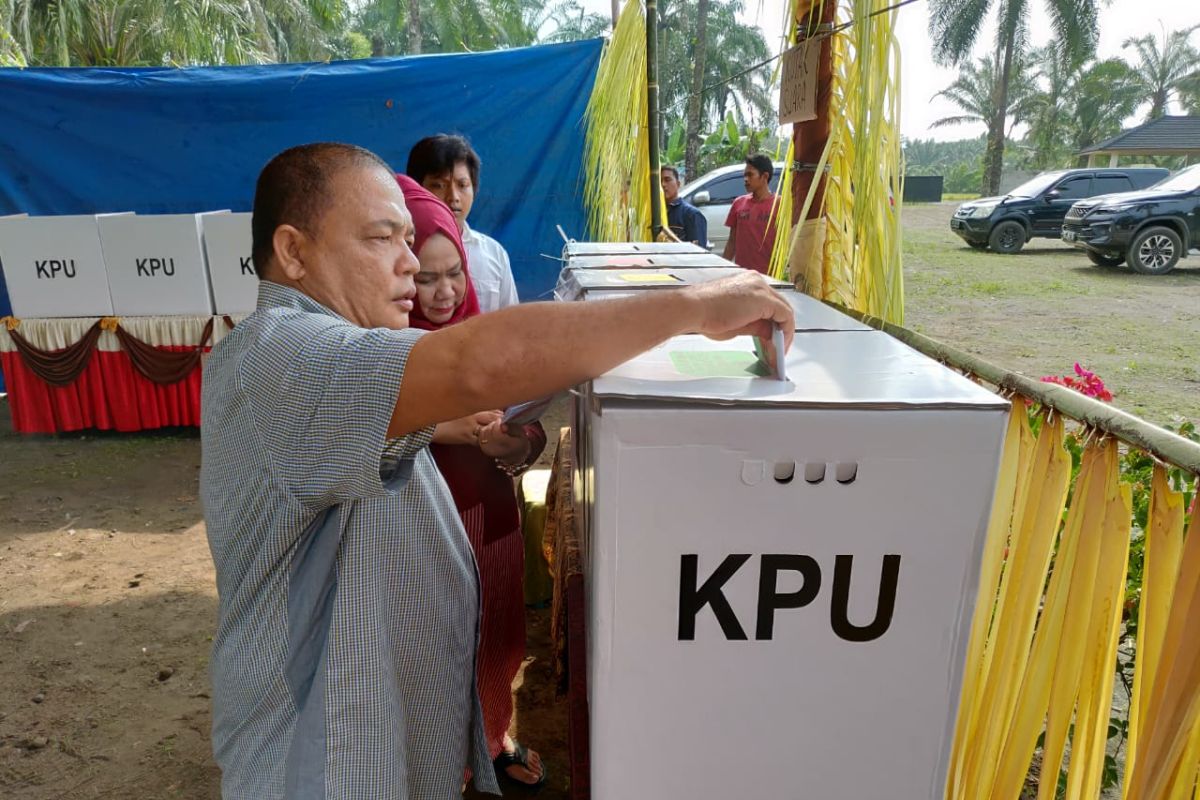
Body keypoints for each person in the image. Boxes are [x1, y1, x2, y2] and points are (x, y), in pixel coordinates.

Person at [200, 141, 794, 800]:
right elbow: (473, 367)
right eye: (380, 239)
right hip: (316, 763)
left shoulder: (337, 361)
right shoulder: (283, 355)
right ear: (294, 251)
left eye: (409, 236)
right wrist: (693, 308)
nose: (409, 262)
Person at [396, 173, 548, 790]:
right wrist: (444, 428)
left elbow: (530, 429)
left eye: (452, 273)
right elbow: (368, 428)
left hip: (490, 514)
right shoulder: (385, 348)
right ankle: (442, 760)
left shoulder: (485, 339)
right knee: (436, 647)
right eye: (424, 277)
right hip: (424, 524)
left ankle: (493, 736)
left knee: (497, 636)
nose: (442, 292)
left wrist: (516, 442)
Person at [406, 134, 518, 314]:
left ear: (474, 188)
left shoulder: (493, 254)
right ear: (417, 190)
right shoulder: (402, 253)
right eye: (439, 185)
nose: (453, 197)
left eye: (462, 185)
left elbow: (511, 322)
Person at [723, 154, 779, 274]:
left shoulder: (779, 205)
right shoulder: (738, 203)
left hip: (770, 277)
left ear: (765, 176)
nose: (746, 179)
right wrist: (722, 269)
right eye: (745, 175)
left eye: (750, 175)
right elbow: (731, 242)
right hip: (742, 276)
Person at [661, 165, 708, 247]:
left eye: (667, 180)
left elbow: (698, 251)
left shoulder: (691, 214)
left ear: (678, 184)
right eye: (659, 181)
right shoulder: (654, 214)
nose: (663, 184)